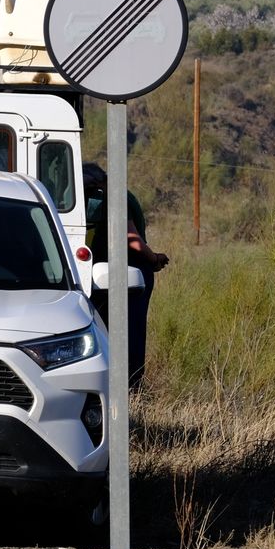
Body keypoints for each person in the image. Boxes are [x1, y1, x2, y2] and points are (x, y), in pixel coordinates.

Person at [83, 163, 169, 391]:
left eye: (89, 187)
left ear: (97, 184)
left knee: (128, 332)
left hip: (130, 272)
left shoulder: (112, 199)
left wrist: (154, 259)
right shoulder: (117, 195)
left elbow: (131, 237)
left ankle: (130, 387)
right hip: (121, 271)